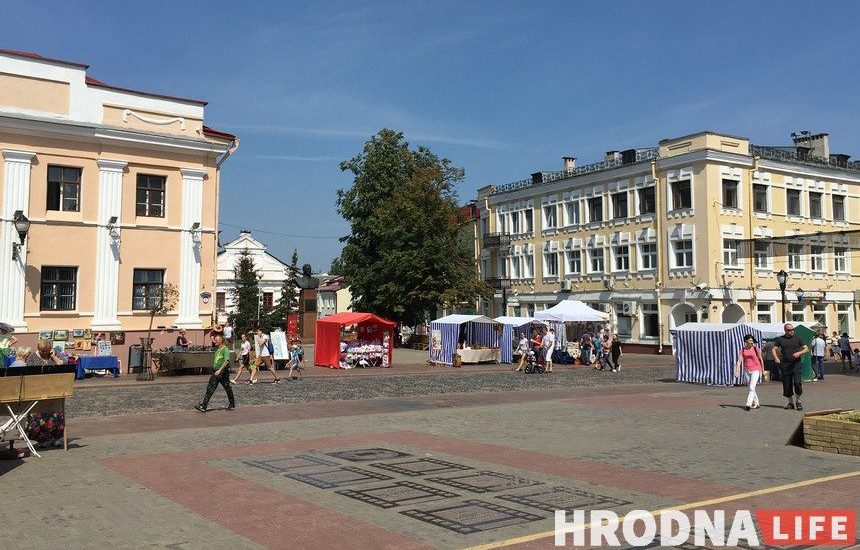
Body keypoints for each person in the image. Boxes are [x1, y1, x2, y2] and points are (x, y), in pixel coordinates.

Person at [195, 330, 235, 412]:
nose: (215, 341)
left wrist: (219, 370)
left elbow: (227, 361)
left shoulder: (225, 349)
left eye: (216, 340)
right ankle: (204, 406)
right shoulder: (217, 350)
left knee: (227, 388)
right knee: (210, 388)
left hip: (223, 373)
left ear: (221, 340)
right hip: (215, 372)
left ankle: (232, 404)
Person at [772, 323, 809, 411]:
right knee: (787, 384)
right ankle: (790, 403)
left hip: (796, 364)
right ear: (785, 330)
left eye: (793, 329)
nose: (792, 331)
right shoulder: (780, 339)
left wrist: (799, 353)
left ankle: (798, 401)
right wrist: (776, 358)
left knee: (797, 383)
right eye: (789, 330)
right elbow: (774, 349)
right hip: (785, 365)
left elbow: (806, 349)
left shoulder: (797, 338)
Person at [736, 334, 765, 411]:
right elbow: (739, 361)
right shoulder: (743, 350)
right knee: (751, 387)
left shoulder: (756, 349)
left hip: (756, 369)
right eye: (750, 340)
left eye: (752, 340)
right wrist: (737, 370)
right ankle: (757, 403)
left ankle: (748, 404)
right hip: (747, 370)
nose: (751, 342)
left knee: (752, 387)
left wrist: (763, 370)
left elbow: (761, 359)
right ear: (746, 341)